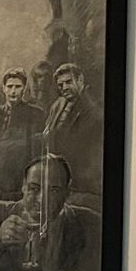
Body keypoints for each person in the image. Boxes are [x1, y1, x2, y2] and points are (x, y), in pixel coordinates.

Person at [0, 154, 100, 271]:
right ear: (23, 187)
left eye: (54, 190)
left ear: (67, 192)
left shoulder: (92, 224)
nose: (42, 199)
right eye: (34, 188)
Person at [41, 64, 101, 193]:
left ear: (80, 80)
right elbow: (47, 132)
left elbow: (84, 151)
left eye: (68, 82)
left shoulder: (93, 110)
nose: (64, 88)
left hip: (79, 180)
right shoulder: (58, 104)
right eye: (60, 85)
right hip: (55, 172)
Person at [0, 68, 45, 198]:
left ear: (24, 88)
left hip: (23, 176)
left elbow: (37, 150)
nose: (13, 91)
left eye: (18, 87)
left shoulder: (35, 113)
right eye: (10, 86)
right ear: (4, 88)